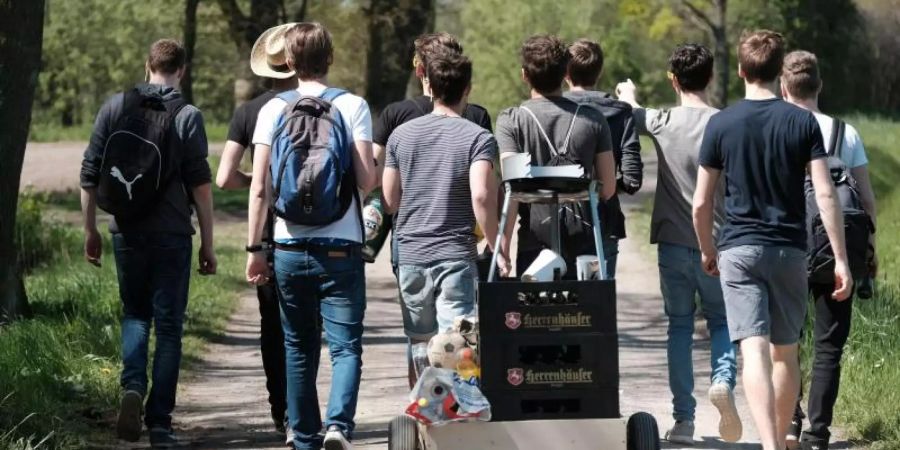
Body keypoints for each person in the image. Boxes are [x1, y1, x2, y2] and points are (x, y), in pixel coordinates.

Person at [693, 30, 853, 450]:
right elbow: (824, 194)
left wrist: (708, 250)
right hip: (789, 251)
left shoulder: (720, 123)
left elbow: (700, 202)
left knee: (753, 351)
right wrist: (840, 258)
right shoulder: (802, 122)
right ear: (780, 73)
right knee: (786, 352)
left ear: (743, 70)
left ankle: (767, 444)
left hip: (738, 250)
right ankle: (782, 440)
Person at [246, 22, 376, 450]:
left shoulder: (271, 109)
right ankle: (338, 427)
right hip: (340, 245)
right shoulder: (353, 106)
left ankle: (302, 436)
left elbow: (260, 187)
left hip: (287, 244)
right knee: (345, 347)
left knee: (298, 347)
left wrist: (254, 249)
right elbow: (365, 180)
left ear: (288, 63)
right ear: (330, 58)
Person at [80, 39, 216, 448]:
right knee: (170, 328)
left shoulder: (115, 107)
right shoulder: (188, 116)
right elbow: (201, 187)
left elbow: (89, 174)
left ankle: (131, 388)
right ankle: (160, 425)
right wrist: (208, 243)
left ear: (147, 66)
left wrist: (90, 230)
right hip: (173, 234)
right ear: (183, 71)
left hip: (127, 231)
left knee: (135, 315)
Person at [616, 43, 738, 444]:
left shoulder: (663, 120)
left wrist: (628, 94)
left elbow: (631, 113)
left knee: (680, 328)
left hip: (672, 242)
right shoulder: (726, 123)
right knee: (721, 321)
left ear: (673, 79)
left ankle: (684, 421)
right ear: (711, 76)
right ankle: (722, 380)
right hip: (719, 242)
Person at [371, 32, 495, 388]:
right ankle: (461, 402)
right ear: (467, 88)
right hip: (456, 251)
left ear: (427, 80)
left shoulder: (400, 135)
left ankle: (425, 408)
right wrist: (496, 243)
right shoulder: (477, 135)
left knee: (420, 340)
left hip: (410, 251)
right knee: (460, 332)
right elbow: (481, 196)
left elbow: (390, 200)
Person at [781, 50, 878, 450]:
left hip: (787, 245)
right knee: (829, 345)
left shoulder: (779, 127)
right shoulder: (845, 132)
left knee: (785, 340)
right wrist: (868, 252)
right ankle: (818, 435)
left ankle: (789, 421)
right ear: (820, 86)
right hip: (835, 246)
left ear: (784, 87)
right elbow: (866, 200)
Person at [215, 23, 299, 439]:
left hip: (267, 230)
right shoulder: (315, 102)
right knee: (305, 325)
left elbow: (224, 177)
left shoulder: (249, 112)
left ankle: (280, 410)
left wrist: (257, 181)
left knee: (272, 322)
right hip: (311, 227)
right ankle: (304, 414)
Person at [497, 35, 616, 276]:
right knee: (584, 312)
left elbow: (513, 193)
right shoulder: (593, 119)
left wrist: (503, 248)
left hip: (533, 239)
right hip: (584, 239)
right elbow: (608, 188)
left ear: (524, 75)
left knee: (534, 312)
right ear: (565, 74)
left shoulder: (512, 121)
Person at [564, 38, 643, 278]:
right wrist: (604, 187)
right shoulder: (620, 112)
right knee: (599, 306)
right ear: (600, 72)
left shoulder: (554, 108)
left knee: (562, 308)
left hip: (559, 220)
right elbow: (632, 180)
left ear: (565, 72)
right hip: (604, 220)